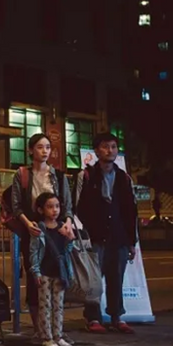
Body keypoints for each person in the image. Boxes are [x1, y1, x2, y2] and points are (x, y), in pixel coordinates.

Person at [11, 133, 74, 340]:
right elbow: (16, 206)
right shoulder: (22, 174)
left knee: (58, 276)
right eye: (40, 147)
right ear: (30, 150)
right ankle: (40, 329)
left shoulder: (59, 176)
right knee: (35, 279)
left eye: (47, 147)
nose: (45, 151)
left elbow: (67, 206)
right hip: (34, 232)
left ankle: (56, 330)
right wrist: (28, 224)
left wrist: (68, 223)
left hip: (56, 233)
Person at [75, 133, 138, 334]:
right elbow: (77, 207)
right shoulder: (86, 176)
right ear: (96, 151)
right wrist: (84, 236)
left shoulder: (124, 178)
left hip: (119, 236)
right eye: (105, 147)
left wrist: (131, 241)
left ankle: (116, 316)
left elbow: (130, 211)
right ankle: (93, 317)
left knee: (116, 278)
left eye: (113, 147)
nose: (110, 150)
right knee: (93, 280)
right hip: (95, 237)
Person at [30, 192, 74, 346]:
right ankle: (46, 337)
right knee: (45, 305)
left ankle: (58, 336)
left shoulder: (63, 226)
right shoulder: (39, 228)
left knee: (58, 305)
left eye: (57, 206)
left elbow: (68, 250)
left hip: (59, 272)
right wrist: (36, 271)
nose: (55, 210)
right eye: (50, 207)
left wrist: (70, 238)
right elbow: (34, 251)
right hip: (44, 272)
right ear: (41, 210)